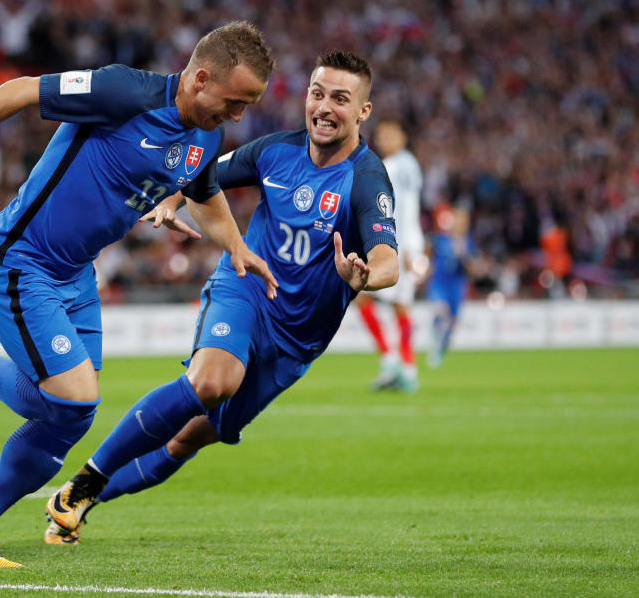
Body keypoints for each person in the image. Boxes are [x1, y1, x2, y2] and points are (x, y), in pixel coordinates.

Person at [0, 21, 278, 568]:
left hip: (75, 276)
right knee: (73, 397)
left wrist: (235, 245)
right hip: (19, 261)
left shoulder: (206, 134)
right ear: (201, 78)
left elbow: (204, 191)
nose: (237, 117)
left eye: (247, 106)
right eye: (234, 102)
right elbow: (21, 89)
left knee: (72, 416)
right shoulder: (124, 92)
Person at [43, 49, 399, 545]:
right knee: (211, 381)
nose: (325, 107)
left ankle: (79, 503)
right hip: (248, 288)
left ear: (362, 111)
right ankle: (88, 478)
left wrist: (363, 275)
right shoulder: (273, 151)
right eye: (318, 94)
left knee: (188, 438)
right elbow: (197, 172)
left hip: (296, 342)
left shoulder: (365, 179)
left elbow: (389, 259)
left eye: (341, 99)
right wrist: (169, 199)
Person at [353, 117, 424, 392]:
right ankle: (398, 363)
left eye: (390, 134)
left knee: (381, 301)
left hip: (398, 245)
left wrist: (405, 249)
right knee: (381, 301)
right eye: (381, 135)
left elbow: (401, 211)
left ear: (403, 137)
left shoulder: (396, 166)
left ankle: (401, 365)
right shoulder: (408, 165)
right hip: (402, 243)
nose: (384, 140)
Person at [427, 205, 475, 368]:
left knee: (453, 322)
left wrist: (464, 256)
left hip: (457, 284)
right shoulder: (441, 239)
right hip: (440, 283)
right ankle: (434, 337)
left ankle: (440, 350)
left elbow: (471, 269)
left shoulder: (467, 243)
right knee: (441, 312)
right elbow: (430, 258)